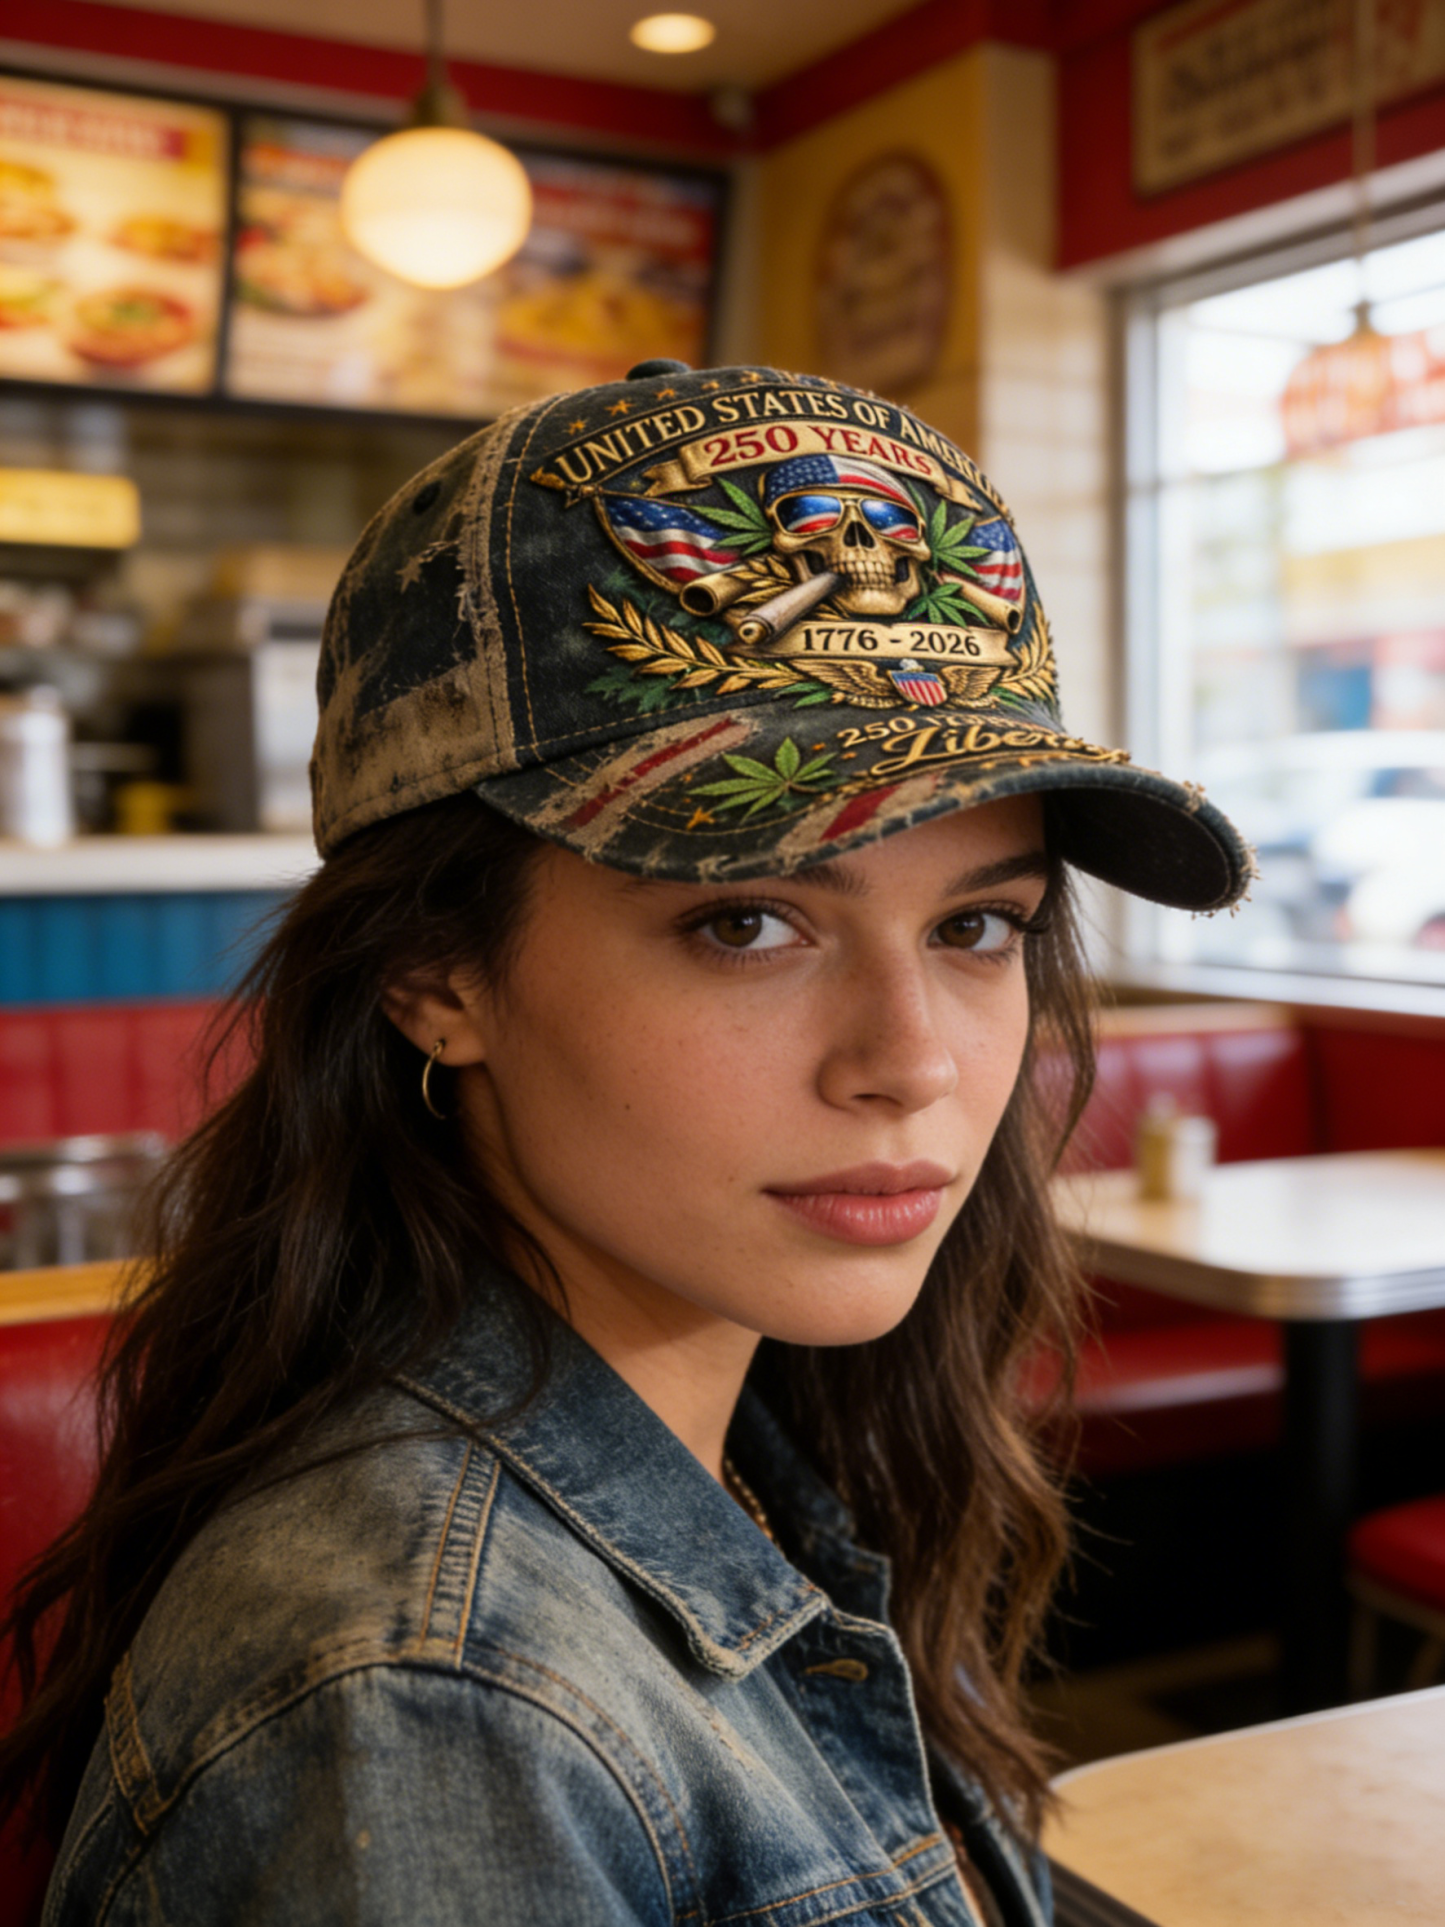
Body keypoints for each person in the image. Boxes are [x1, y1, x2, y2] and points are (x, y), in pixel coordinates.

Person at [1, 360, 1251, 1926]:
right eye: (746, 919)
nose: (913, 1061)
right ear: (432, 976)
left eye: (977, 923)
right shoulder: (429, 1706)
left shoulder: (748, 1431)